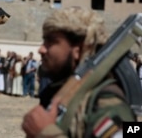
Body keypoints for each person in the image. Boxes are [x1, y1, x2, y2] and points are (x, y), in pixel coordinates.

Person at [22, 7, 136, 138]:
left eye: (51, 41)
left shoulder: (106, 102)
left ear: (78, 49)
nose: (41, 49)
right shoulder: (61, 92)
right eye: (44, 41)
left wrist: (47, 133)